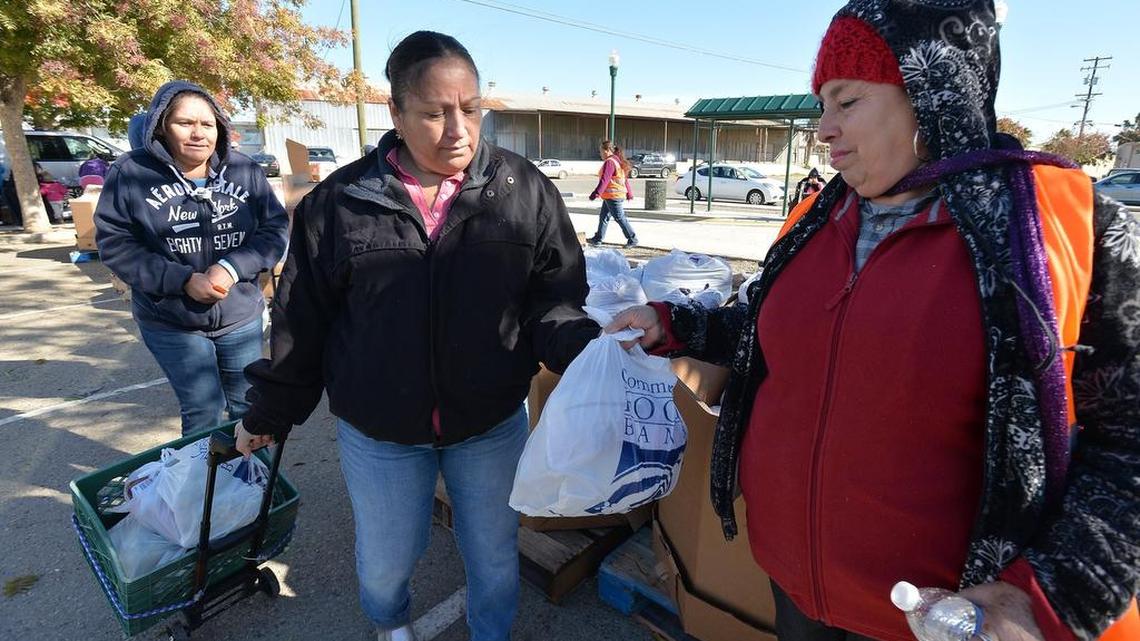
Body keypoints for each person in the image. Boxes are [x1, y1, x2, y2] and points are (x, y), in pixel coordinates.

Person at [608, 3, 1139, 641]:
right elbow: (765, 336)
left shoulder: (1067, 235)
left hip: (941, 623)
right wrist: (674, 325)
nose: (823, 128)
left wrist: (1045, 597)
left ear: (931, 92)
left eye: (847, 101)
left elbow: (1128, 448)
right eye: (821, 106)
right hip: (793, 587)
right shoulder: (816, 220)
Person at [234, 31, 599, 641]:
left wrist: (588, 350)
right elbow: (302, 322)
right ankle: (391, 627)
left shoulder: (523, 190)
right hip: (380, 431)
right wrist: (271, 410)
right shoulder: (338, 203)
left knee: (493, 558)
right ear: (396, 114)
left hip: (489, 423)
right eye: (434, 113)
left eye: (471, 109)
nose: (458, 129)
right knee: (385, 566)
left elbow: (552, 298)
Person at [95, 80, 288, 436]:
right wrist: (182, 280)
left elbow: (275, 229)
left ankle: (250, 487)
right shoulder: (131, 173)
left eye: (207, 124)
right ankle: (206, 489)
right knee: (202, 412)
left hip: (239, 316)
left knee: (249, 408)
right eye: (185, 123)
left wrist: (232, 269)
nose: (198, 133)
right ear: (162, 126)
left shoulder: (245, 170)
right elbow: (116, 244)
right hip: (171, 321)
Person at [586, 140, 637, 248]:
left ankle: (632, 239)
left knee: (619, 217)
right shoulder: (617, 161)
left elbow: (605, 179)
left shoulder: (610, 162)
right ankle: (598, 238)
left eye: (601, 151)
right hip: (611, 196)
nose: (600, 154)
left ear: (607, 151)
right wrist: (629, 193)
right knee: (603, 217)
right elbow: (624, 179)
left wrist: (596, 193)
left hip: (614, 196)